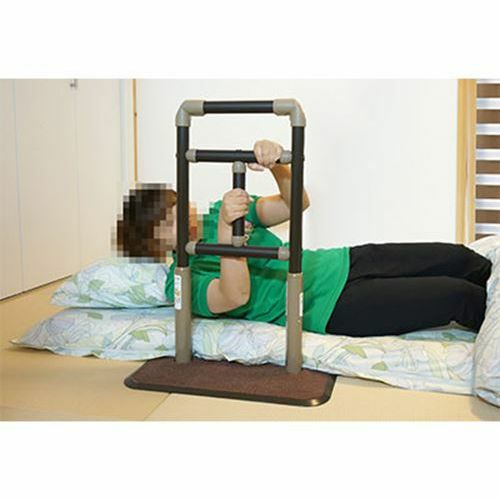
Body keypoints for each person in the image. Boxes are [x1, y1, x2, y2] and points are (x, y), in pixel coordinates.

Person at [115, 140, 492, 337]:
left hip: (342, 261)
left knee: (461, 259)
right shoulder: (180, 281)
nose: (181, 217)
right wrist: (228, 234)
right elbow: (235, 295)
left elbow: (296, 204)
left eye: (176, 206)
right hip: (330, 308)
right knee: (457, 296)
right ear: (155, 245)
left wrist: (277, 165)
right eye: (165, 222)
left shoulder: (220, 210)